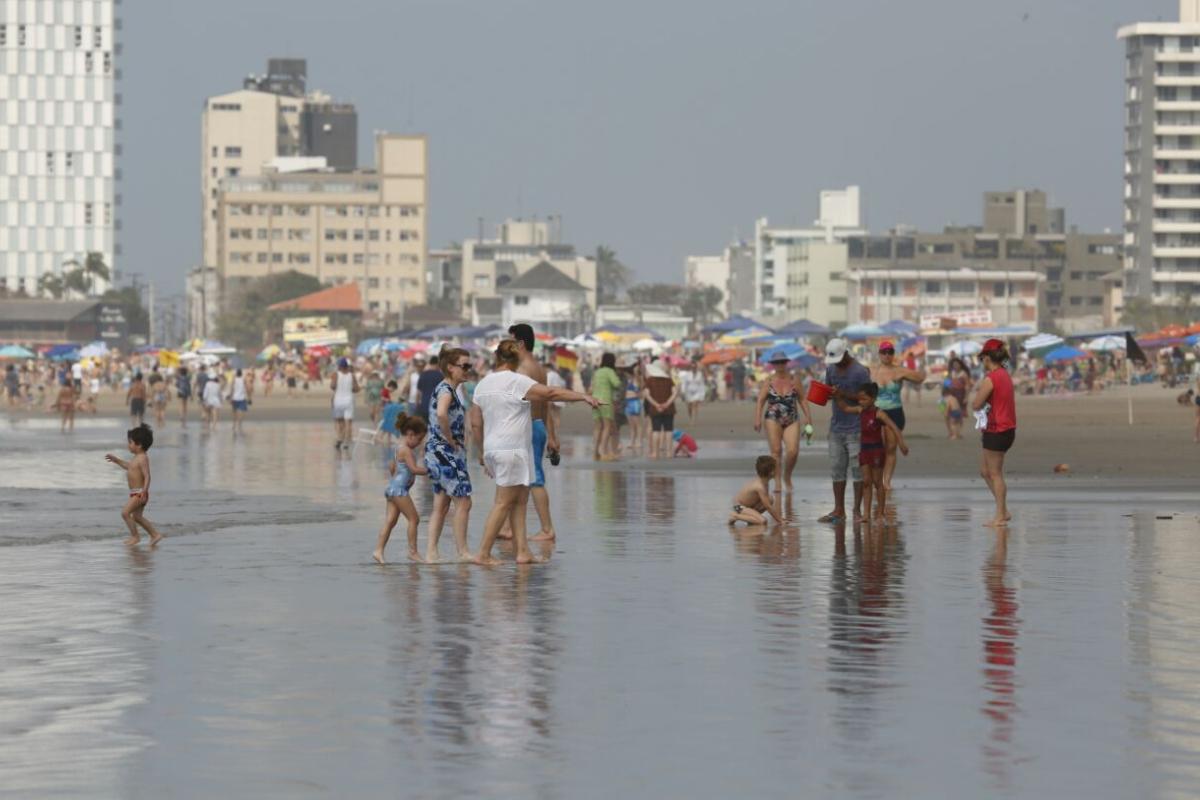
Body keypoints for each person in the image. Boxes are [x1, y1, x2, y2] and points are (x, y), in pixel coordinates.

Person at [470, 339, 600, 565]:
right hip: (512, 449)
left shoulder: (483, 384)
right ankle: (483, 553)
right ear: (517, 359)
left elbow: (475, 423)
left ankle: (523, 552)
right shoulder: (517, 381)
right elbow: (549, 393)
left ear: (497, 358)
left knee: (521, 499)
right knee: (503, 502)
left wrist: (482, 452)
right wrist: (583, 397)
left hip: (496, 447)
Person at [508, 323, 560, 541]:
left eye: (510, 341)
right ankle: (508, 527)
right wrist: (552, 435)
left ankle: (547, 529)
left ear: (519, 343)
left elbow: (519, 402)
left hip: (527, 426)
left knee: (534, 478)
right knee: (518, 478)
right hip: (537, 424)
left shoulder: (522, 368)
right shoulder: (539, 367)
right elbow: (546, 401)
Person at [423, 347, 474, 562]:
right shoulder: (445, 389)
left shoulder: (448, 388)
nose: (468, 370)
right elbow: (442, 413)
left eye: (469, 366)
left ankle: (431, 552)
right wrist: (450, 439)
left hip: (437, 452)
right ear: (451, 368)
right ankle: (462, 552)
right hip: (446, 453)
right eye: (465, 366)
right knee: (464, 502)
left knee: (441, 505)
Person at [819, 338, 870, 524]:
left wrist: (844, 395)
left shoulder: (860, 372)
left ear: (846, 353)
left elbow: (868, 398)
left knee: (857, 471)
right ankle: (838, 509)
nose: (837, 364)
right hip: (836, 427)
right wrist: (824, 394)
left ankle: (856, 510)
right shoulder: (831, 369)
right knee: (837, 470)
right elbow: (828, 393)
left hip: (856, 427)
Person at [373, 413, 429, 564]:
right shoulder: (406, 450)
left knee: (390, 521)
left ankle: (378, 550)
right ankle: (413, 552)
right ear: (411, 434)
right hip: (399, 491)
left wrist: (397, 478)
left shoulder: (398, 448)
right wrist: (432, 470)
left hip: (392, 488)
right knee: (414, 519)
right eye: (419, 439)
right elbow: (414, 469)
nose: (419, 443)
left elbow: (391, 467)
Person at [847, 382, 908, 523]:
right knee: (866, 482)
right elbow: (845, 408)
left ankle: (881, 514)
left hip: (876, 451)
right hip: (864, 451)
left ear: (873, 398)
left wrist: (901, 443)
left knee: (877, 483)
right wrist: (836, 396)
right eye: (859, 399)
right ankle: (866, 514)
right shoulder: (860, 410)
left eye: (864, 399)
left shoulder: (879, 413)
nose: (861, 402)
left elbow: (894, 428)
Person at [870, 340, 926, 491]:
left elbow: (920, 378)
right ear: (879, 354)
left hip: (895, 412)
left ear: (893, 354)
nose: (887, 355)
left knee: (891, 447)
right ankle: (876, 478)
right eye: (884, 352)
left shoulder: (899, 371)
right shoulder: (871, 370)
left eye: (890, 352)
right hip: (875, 412)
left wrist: (921, 364)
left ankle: (886, 482)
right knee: (877, 447)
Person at [754, 350, 813, 492]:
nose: (779, 365)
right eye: (776, 362)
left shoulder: (794, 380)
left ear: (786, 363)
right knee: (776, 451)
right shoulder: (768, 381)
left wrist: (808, 418)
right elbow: (761, 401)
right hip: (773, 418)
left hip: (791, 418)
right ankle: (778, 482)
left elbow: (802, 399)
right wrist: (757, 418)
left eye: (782, 362)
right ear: (773, 364)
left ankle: (787, 476)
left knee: (793, 451)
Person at [972, 339, 1016, 528]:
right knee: (985, 471)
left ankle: (1000, 515)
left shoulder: (991, 378)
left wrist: (980, 395)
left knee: (995, 474)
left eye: (983, 358)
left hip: (998, 429)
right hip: (1003, 428)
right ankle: (1003, 510)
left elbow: (976, 404)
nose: (982, 361)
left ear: (988, 358)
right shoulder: (1005, 375)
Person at [105, 424, 164, 546]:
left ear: (139, 444)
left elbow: (147, 475)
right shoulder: (136, 458)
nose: (128, 445)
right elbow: (128, 467)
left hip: (139, 493)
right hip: (135, 493)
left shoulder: (142, 458)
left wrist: (144, 491)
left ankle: (135, 537)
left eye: (130, 442)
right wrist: (116, 460)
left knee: (125, 513)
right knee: (137, 517)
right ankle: (155, 535)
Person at [728, 455, 784, 526]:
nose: (779, 471)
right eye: (777, 468)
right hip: (738, 506)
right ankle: (735, 516)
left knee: (770, 499)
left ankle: (752, 519)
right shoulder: (760, 486)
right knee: (763, 521)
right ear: (771, 472)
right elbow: (768, 507)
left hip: (748, 506)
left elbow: (767, 503)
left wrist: (779, 519)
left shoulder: (764, 482)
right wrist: (780, 521)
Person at [643, 358, 678, 460]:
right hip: (669, 409)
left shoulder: (650, 380)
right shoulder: (669, 380)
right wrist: (667, 403)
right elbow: (675, 393)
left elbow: (646, 394)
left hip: (655, 409)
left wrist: (656, 404)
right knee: (668, 430)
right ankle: (669, 452)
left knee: (656, 430)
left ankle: (655, 452)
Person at [590, 352, 622, 460]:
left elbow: (592, 385)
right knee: (607, 426)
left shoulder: (598, 372)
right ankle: (603, 451)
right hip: (605, 400)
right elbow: (617, 384)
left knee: (598, 427)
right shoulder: (610, 371)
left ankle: (595, 452)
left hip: (594, 400)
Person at [330, 357, 359, 449]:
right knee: (348, 423)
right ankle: (346, 442)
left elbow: (332, 386)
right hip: (349, 400)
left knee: (339, 421)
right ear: (347, 366)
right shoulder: (352, 375)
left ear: (339, 366)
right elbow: (356, 389)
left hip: (338, 400)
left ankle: (339, 439)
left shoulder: (335, 374)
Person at [416, 357, 443, 422]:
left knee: (424, 428)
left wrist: (417, 405)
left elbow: (419, 392)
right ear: (437, 364)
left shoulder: (423, 375)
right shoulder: (440, 376)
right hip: (436, 407)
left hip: (424, 406)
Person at [229, 368, 251, 433]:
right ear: (241, 374)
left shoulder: (234, 380)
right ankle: (239, 424)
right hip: (242, 398)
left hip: (234, 398)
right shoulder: (243, 380)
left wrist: (230, 397)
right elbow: (247, 388)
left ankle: (234, 424)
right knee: (241, 412)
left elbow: (231, 389)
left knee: (234, 412)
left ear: (236, 374)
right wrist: (249, 397)